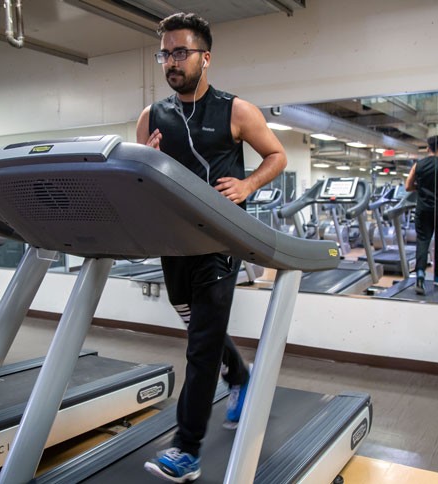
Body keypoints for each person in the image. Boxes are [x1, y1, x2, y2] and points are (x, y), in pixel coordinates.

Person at [136, 12, 287, 482]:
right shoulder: (151, 117)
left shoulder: (236, 110)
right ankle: (239, 376)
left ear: (206, 57)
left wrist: (246, 185)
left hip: (219, 240)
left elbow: (277, 155)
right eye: (165, 53)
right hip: (173, 241)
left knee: (200, 348)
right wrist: (148, 161)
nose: (171, 62)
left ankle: (186, 450)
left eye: (180, 52)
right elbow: (139, 177)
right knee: (198, 328)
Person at [405, 135, 438, 295]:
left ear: (427, 149)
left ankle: (420, 275)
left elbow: (407, 186)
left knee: (422, 241)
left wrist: (419, 189)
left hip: (422, 209)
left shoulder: (417, 165)